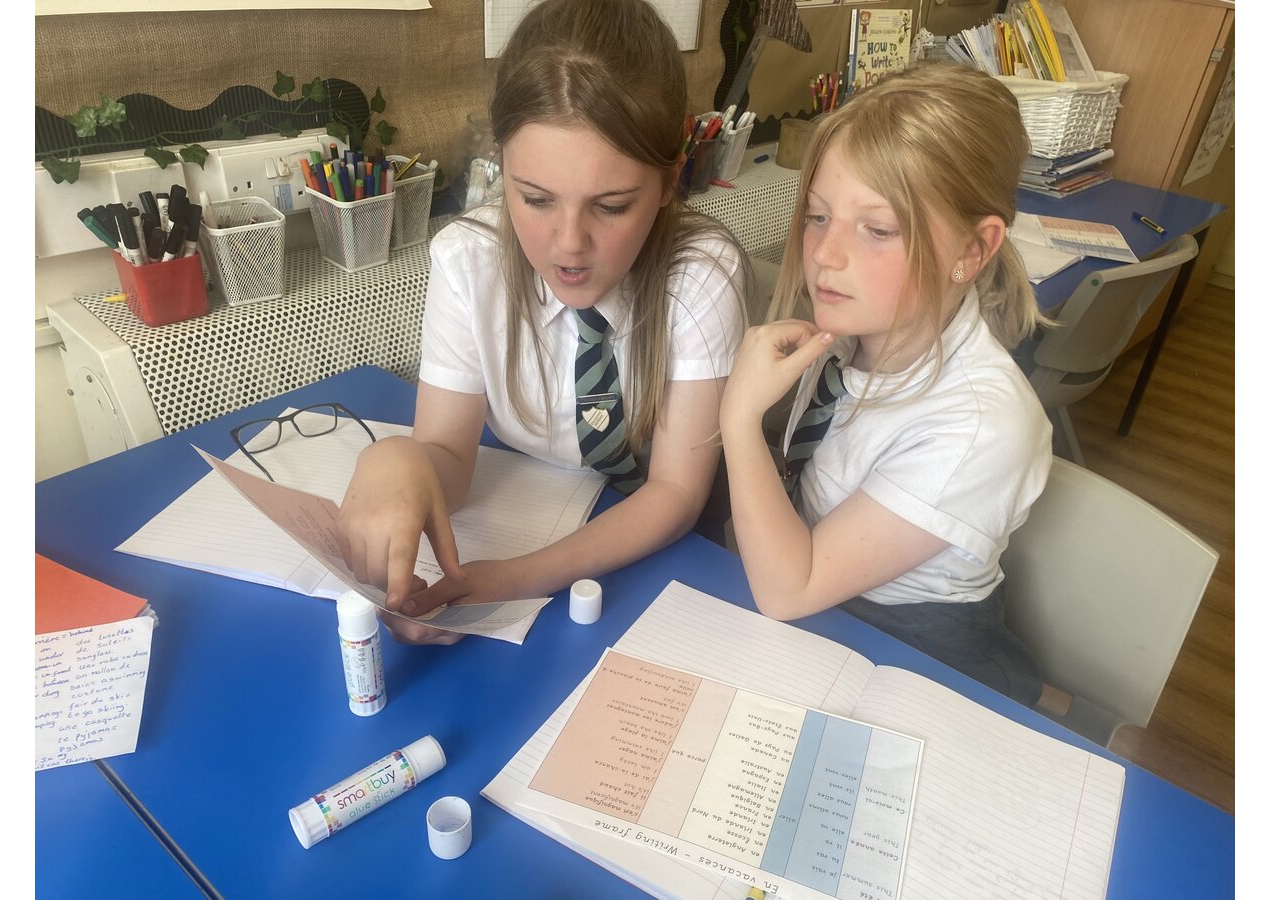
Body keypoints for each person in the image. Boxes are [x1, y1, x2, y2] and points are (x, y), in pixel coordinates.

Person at [336, 0, 747, 644]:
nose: (569, 244)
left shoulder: (700, 274)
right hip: (539, 506)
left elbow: (675, 492)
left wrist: (520, 577)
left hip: (662, 559)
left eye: (611, 206)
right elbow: (449, 455)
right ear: (503, 166)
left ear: (670, 180)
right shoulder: (467, 261)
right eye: (534, 199)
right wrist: (400, 461)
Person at [718, 63, 1053, 705]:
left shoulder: (981, 424)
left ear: (973, 249)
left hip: (920, 659)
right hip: (819, 610)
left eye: (878, 230)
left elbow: (789, 590)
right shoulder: (854, 330)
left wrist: (739, 420)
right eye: (818, 217)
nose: (825, 254)